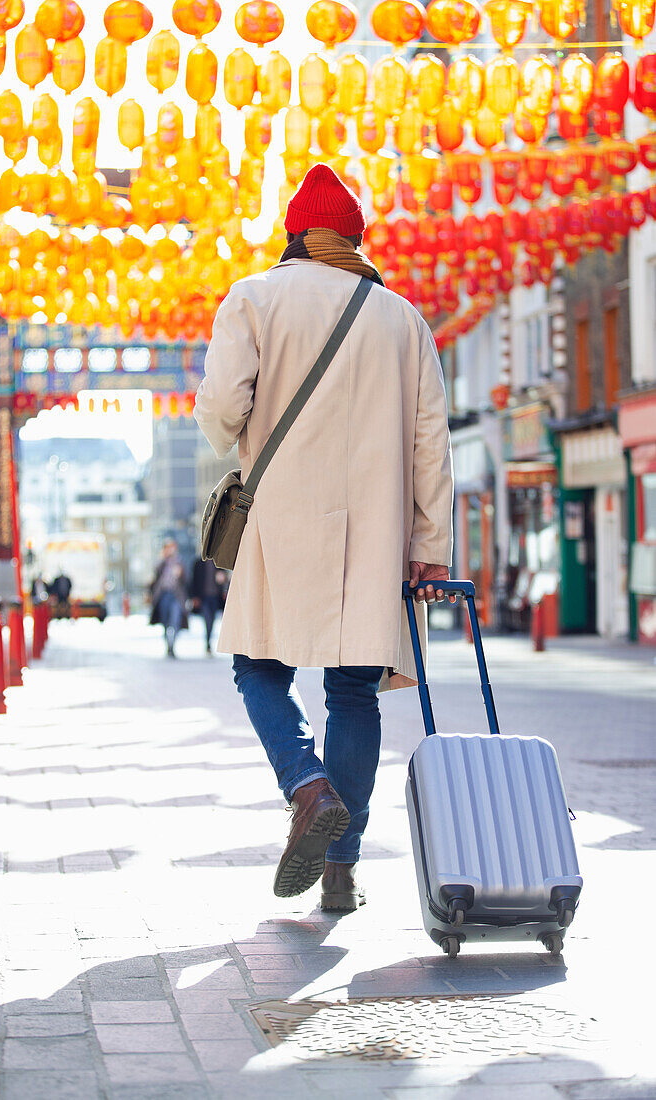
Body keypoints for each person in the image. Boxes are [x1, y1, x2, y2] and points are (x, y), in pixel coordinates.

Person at [194, 163, 454, 912]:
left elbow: (220, 409)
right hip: (374, 531)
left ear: (294, 236)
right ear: (354, 240)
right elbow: (429, 442)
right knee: (353, 692)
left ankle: (306, 786)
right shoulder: (400, 317)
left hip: (281, 518)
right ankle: (340, 869)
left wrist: (233, 433)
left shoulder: (253, 298)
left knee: (257, 665)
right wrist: (430, 542)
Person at [149, 540, 186, 658]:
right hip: (163, 595)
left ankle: (172, 646)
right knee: (165, 621)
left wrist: (181, 574)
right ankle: (167, 645)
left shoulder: (180, 562)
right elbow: (155, 576)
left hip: (176, 596)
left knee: (175, 620)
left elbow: (186, 580)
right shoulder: (161, 562)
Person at [190, 558, 226, 656]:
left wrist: (222, 580)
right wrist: (194, 597)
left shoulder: (219, 563)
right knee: (207, 620)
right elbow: (194, 580)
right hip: (204, 598)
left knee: (212, 620)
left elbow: (224, 580)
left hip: (215, 597)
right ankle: (208, 643)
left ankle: (208, 642)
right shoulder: (198, 563)